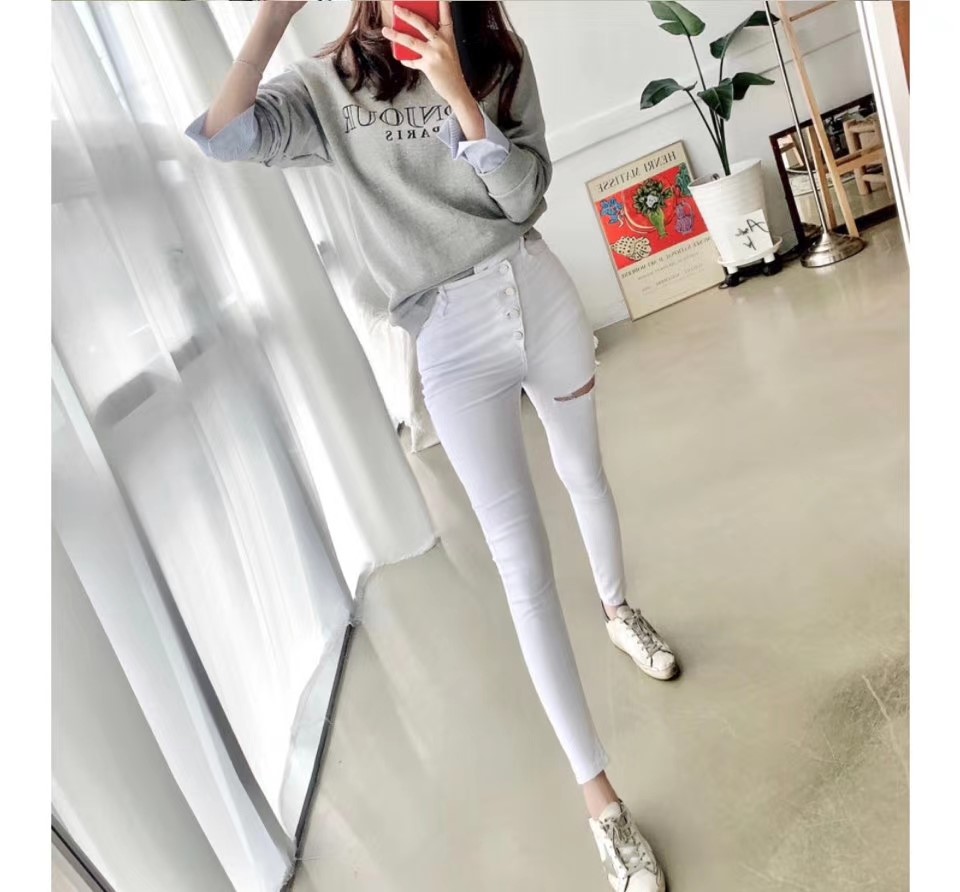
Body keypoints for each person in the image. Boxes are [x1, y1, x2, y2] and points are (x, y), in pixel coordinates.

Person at [184, 2, 678, 889]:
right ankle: (601, 802)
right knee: (523, 569)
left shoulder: (498, 56)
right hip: (450, 340)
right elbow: (222, 137)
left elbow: (525, 196)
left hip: (539, 294)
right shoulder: (329, 87)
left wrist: (460, 98)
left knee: (584, 474)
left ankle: (618, 612)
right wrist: (271, 17)